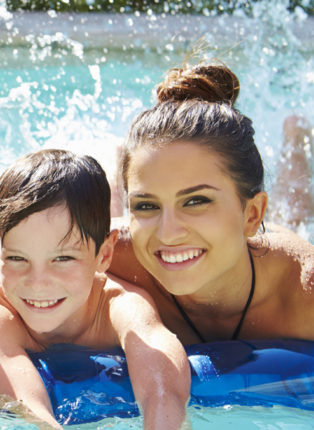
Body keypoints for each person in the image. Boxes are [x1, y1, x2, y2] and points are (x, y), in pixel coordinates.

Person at [0, 149, 190, 428]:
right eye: (16, 258)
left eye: (63, 259)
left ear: (104, 255)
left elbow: (163, 390)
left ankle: (115, 170)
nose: (38, 283)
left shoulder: (117, 303)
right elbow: (25, 404)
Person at [110, 62, 314, 344]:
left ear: (253, 214)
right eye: (145, 205)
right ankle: (118, 165)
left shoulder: (303, 292)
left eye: (196, 201)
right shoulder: (103, 255)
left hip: (272, 249)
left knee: (294, 213)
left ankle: (296, 137)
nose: (168, 233)